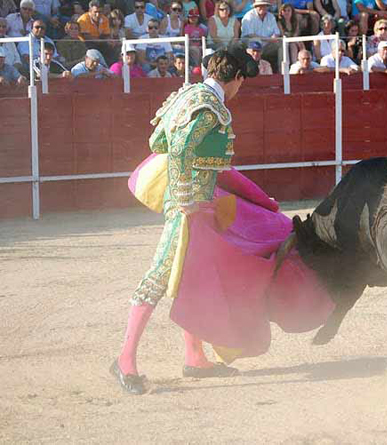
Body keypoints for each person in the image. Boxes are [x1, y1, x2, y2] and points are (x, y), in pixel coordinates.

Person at [110, 47, 260, 395]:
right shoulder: (210, 108)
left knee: (192, 276)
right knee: (160, 275)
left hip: (197, 202)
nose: (240, 89)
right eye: (241, 82)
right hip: (189, 206)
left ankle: (194, 356)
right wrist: (184, 198)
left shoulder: (188, 94)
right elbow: (176, 148)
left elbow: (156, 139)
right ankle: (124, 360)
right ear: (236, 78)